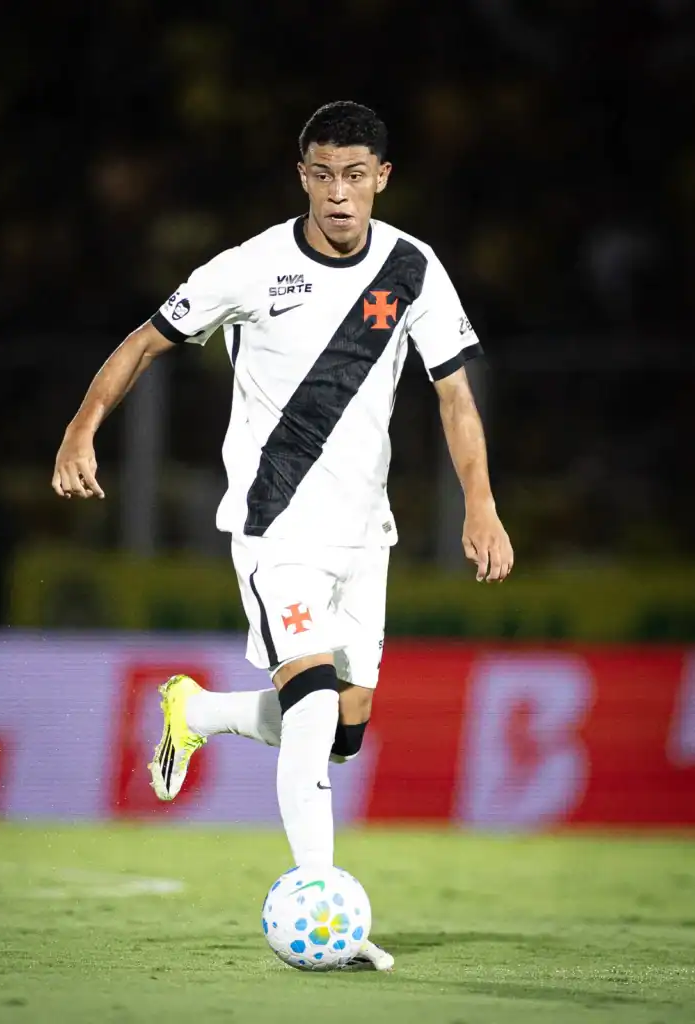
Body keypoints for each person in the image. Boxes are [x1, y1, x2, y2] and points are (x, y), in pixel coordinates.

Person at [52, 101, 514, 971]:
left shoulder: (411, 267)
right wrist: (82, 428)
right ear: (301, 176)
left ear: (381, 178)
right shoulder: (250, 267)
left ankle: (199, 712)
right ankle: (321, 901)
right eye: (322, 175)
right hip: (275, 528)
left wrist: (480, 505)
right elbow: (145, 341)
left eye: (354, 176)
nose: (338, 193)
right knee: (310, 704)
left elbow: (454, 394)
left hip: (364, 536)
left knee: (343, 729)